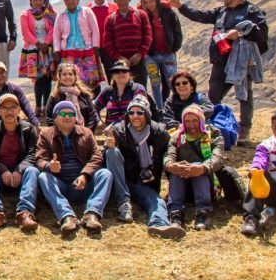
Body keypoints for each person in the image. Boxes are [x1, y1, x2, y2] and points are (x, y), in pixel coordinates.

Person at [168, 0, 268, 144]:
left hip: (241, 61)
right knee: (213, 96)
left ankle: (244, 130)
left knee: (244, 95)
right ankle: (208, 127)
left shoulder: (252, 11)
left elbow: (262, 34)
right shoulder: (221, 11)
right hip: (221, 60)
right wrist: (180, 6)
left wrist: (241, 34)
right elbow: (201, 15)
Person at [103, 94, 183, 238]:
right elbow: (104, 161)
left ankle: (159, 225)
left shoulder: (159, 133)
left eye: (140, 112)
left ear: (146, 114)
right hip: (123, 181)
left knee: (156, 201)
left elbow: (169, 156)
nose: (135, 116)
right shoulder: (118, 131)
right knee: (111, 152)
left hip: (145, 182)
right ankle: (124, 203)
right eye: (131, 112)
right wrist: (108, 146)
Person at [35, 101, 112, 235]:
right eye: (63, 113)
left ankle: (92, 214)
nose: (67, 117)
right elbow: (40, 159)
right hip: (61, 186)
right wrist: (49, 166)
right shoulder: (46, 134)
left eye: (71, 113)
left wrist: (85, 175)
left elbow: (96, 157)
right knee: (43, 177)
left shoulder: (86, 133)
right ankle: (67, 216)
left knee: (105, 174)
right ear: (55, 117)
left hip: (84, 185)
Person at [0, 94, 39, 232]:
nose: (9, 111)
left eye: (13, 107)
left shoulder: (28, 129)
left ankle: (24, 213)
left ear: (19, 110)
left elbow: (32, 154)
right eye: (5, 108)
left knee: (33, 171)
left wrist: (19, 169)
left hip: (21, 177)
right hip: (1, 177)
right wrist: (3, 170)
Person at [164, 105, 225, 232]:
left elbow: (217, 159)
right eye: (187, 121)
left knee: (197, 165)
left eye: (195, 121)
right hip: (182, 184)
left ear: (201, 120)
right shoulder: (177, 137)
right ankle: (175, 214)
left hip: (206, 184)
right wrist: (172, 166)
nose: (191, 125)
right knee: (178, 168)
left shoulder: (213, 135)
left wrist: (202, 168)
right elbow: (168, 157)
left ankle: (203, 212)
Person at [52, 0, 102, 89]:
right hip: (68, 52)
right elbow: (56, 36)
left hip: (87, 51)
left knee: (91, 82)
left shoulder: (87, 12)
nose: (70, 1)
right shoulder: (60, 16)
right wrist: (57, 51)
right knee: (70, 81)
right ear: (64, 1)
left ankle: (91, 104)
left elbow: (95, 30)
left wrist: (95, 47)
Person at [139, 0, 183, 109]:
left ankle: (179, 106)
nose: (149, 4)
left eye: (151, 1)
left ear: (156, 0)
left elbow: (177, 31)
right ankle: (160, 109)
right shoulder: (143, 16)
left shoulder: (168, 13)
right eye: (146, 2)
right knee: (155, 82)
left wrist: (173, 48)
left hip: (168, 54)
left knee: (172, 81)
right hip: (150, 56)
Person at [102, 0, 152, 89]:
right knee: (121, 90)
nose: (122, 2)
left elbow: (148, 36)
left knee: (140, 89)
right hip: (120, 63)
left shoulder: (141, 15)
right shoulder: (110, 19)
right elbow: (107, 42)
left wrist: (139, 54)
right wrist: (119, 57)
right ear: (115, 1)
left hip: (138, 61)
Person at [19, 0, 56, 113]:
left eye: (40, 0)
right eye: (35, 0)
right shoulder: (25, 15)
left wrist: (46, 43)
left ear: (44, 1)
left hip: (46, 49)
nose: (38, 2)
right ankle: (38, 106)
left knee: (47, 78)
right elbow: (26, 32)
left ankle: (47, 106)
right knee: (38, 78)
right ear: (31, 1)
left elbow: (52, 30)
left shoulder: (49, 15)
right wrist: (37, 43)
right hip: (33, 49)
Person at [0, 61, 39, 128]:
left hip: (13, 125)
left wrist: (35, 121)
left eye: (2, 73)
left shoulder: (15, 89)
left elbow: (26, 105)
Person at [93, 59, 149, 129]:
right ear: (113, 75)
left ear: (129, 73)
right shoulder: (108, 91)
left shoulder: (138, 89)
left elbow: (138, 111)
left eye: (124, 70)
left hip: (134, 131)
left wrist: (114, 125)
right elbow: (93, 107)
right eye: (117, 71)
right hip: (112, 134)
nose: (120, 73)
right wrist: (99, 121)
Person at [44, 62, 99, 129]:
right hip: (61, 135)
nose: (67, 77)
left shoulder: (84, 94)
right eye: (64, 74)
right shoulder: (54, 96)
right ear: (60, 77)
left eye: (70, 74)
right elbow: (49, 117)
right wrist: (63, 132)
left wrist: (86, 133)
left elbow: (92, 116)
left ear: (75, 77)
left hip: (85, 134)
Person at [87, 0, 117, 77]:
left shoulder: (114, 7)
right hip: (93, 48)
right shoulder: (87, 10)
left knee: (112, 74)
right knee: (93, 77)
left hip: (110, 47)